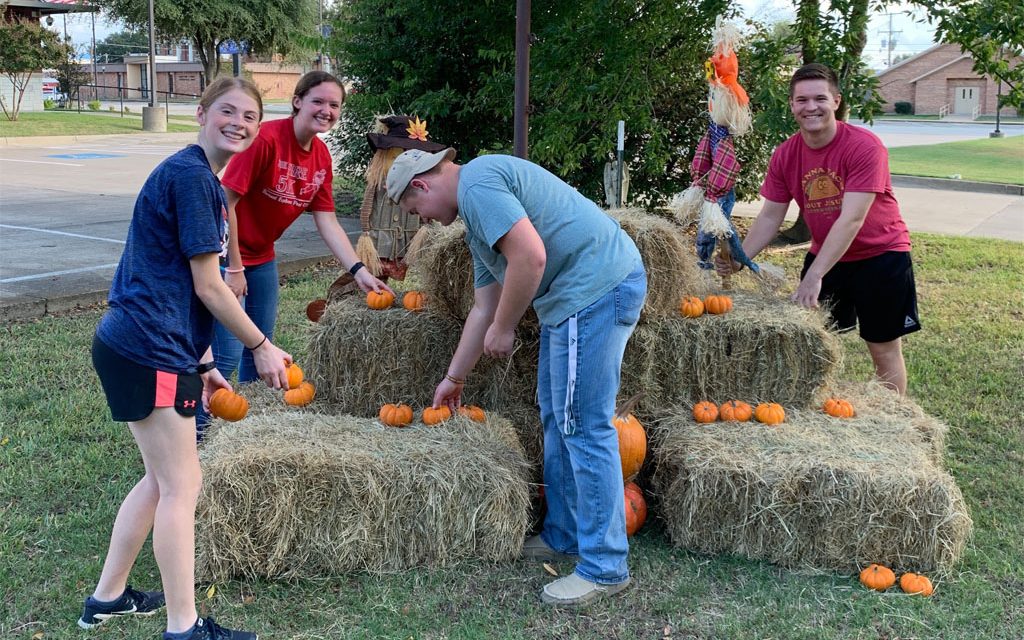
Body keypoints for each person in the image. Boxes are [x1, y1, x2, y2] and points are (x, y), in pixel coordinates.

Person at [386, 147, 647, 606]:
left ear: (422, 185)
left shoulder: (481, 185)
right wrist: (455, 377)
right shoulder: (476, 214)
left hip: (596, 290)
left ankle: (605, 567)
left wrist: (506, 328)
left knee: (584, 425)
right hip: (574, 300)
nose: (424, 222)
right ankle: (564, 534)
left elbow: (531, 257)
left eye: (416, 211)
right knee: (556, 416)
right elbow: (483, 306)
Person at [82, 77, 288, 640]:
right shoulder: (195, 179)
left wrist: (201, 360)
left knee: (159, 479)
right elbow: (209, 286)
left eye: (250, 115)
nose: (240, 123)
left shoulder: (197, 179)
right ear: (200, 112)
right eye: (228, 110)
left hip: (145, 342)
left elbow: (168, 279)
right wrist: (260, 345)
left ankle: (108, 599)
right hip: (148, 348)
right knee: (181, 486)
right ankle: (184, 626)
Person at [197, 71, 391, 438]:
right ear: (298, 101)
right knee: (224, 356)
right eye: (318, 101)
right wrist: (234, 267)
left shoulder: (319, 156)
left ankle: (248, 437)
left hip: (263, 259)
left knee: (262, 348)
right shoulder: (265, 140)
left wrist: (359, 270)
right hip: (225, 259)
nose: (326, 110)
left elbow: (327, 220)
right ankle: (201, 442)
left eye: (334, 105)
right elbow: (227, 203)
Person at [717, 63, 920, 394]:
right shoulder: (785, 155)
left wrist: (814, 276)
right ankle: (824, 415)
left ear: (836, 101)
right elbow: (770, 216)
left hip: (881, 255)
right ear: (792, 105)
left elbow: (851, 218)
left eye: (820, 98)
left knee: (882, 348)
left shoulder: (865, 147)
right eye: (802, 100)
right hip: (827, 255)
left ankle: (894, 420)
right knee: (814, 345)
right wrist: (741, 257)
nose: (811, 107)